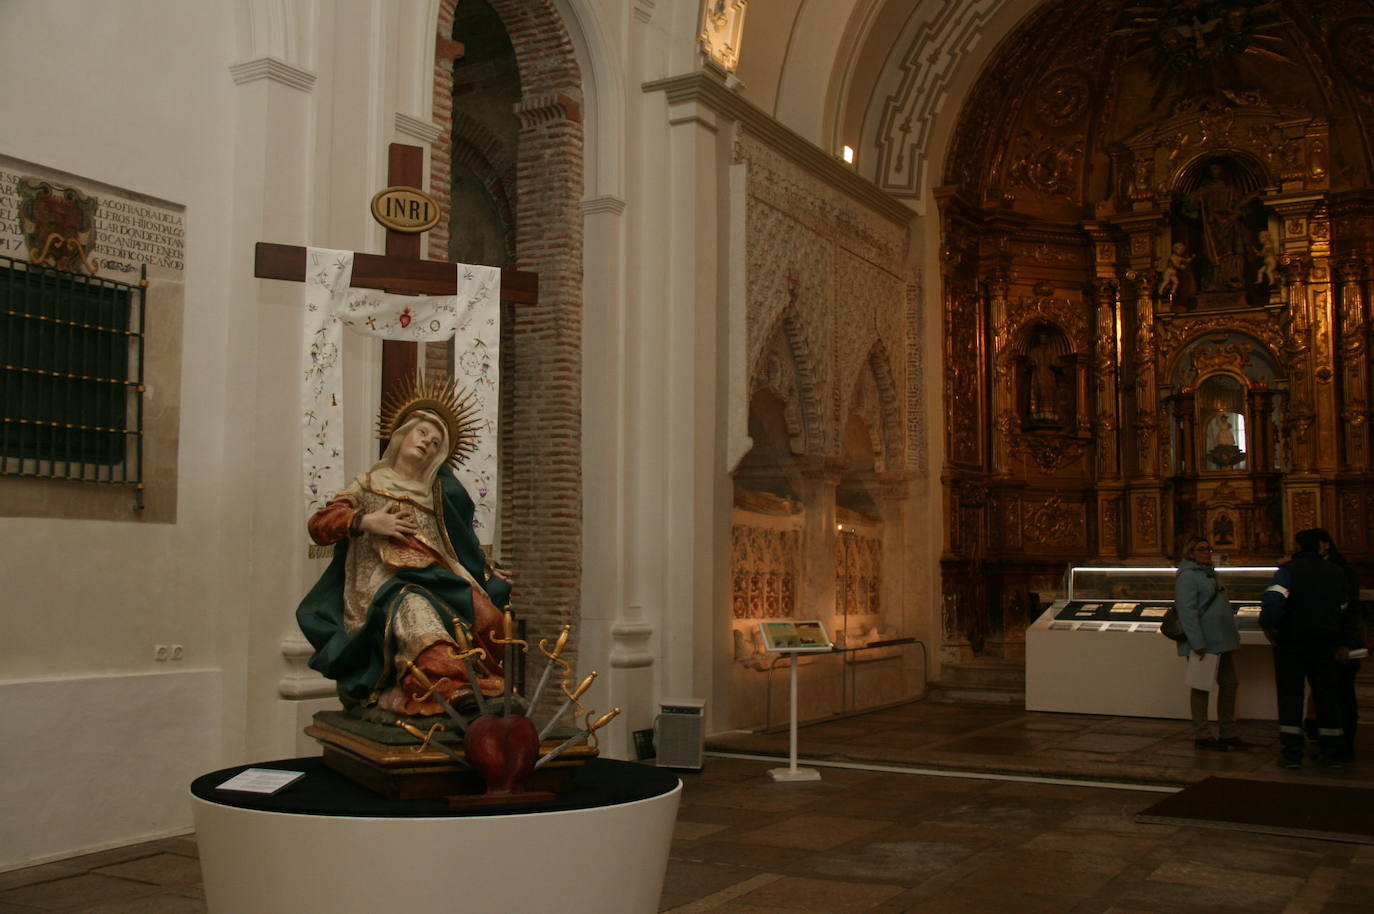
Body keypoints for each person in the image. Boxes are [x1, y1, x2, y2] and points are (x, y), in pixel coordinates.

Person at [296, 396, 511, 719]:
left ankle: (425, 686)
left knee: (490, 616)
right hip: (381, 582)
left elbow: (455, 546)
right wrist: (366, 521)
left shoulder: (435, 494)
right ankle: (448, 685)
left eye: (436, 442)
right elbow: (320, 526)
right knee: (413, 604)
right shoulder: (369, 483)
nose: (427, 442)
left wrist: (486, 572)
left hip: (437, 578)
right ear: (402, 435)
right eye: (423, 433)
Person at [1260, 528, 1351, 768]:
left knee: (1291, 695)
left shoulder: (1288, 571)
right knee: (1327, 696)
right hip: (1326, 643)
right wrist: (1340, 640)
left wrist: (1269, 626)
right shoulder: (1336, 572)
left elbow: (1274, 601)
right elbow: (1344, 608)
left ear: (1298, 547)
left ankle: (1292, 753)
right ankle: (1332, 752)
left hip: (1292, 642)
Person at [1175, 536, 1245, 751]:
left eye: (1208, 548)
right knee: (1201, 687)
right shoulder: (1187, 577)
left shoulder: (1212, 573)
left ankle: (1227, 731)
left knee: (1230, 684)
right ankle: (1202, 734)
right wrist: (1197, 641)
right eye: (1201, 549)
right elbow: (1187, 612)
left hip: (1222, 639)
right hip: (1204, 642)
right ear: (1191, 553)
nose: (1207, 552)